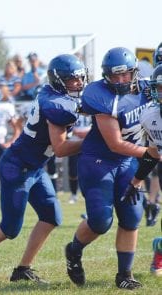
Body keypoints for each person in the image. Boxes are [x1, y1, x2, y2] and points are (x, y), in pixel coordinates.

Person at [0, 53, 87, 287]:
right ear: (59, 80)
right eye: (72, 79)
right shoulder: (56, 105)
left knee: (51, 217)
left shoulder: (56, 96)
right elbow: (60, 148)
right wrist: (93, 142)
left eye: (80, 78)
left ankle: (23, 269)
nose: (78, 83)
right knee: (10, 228)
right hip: (17, 167)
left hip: (35, 167)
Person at [64, 47, 151, 290]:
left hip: (127, 162)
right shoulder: (99, 95)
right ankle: (73, 251)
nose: (120, 80)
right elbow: (115, 143)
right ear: (106, 76)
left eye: (125, 75)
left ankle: (124, 274)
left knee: (132, 217)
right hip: (99, 162)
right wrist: (150, 153)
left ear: (134, 72)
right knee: (101, 221)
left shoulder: (148, 87)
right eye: (115, 76)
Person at [122, 64, 162, 276]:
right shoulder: (149, 115)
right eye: (161, 87)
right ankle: (161, 250)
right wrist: (136, 180)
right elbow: (155, 152)